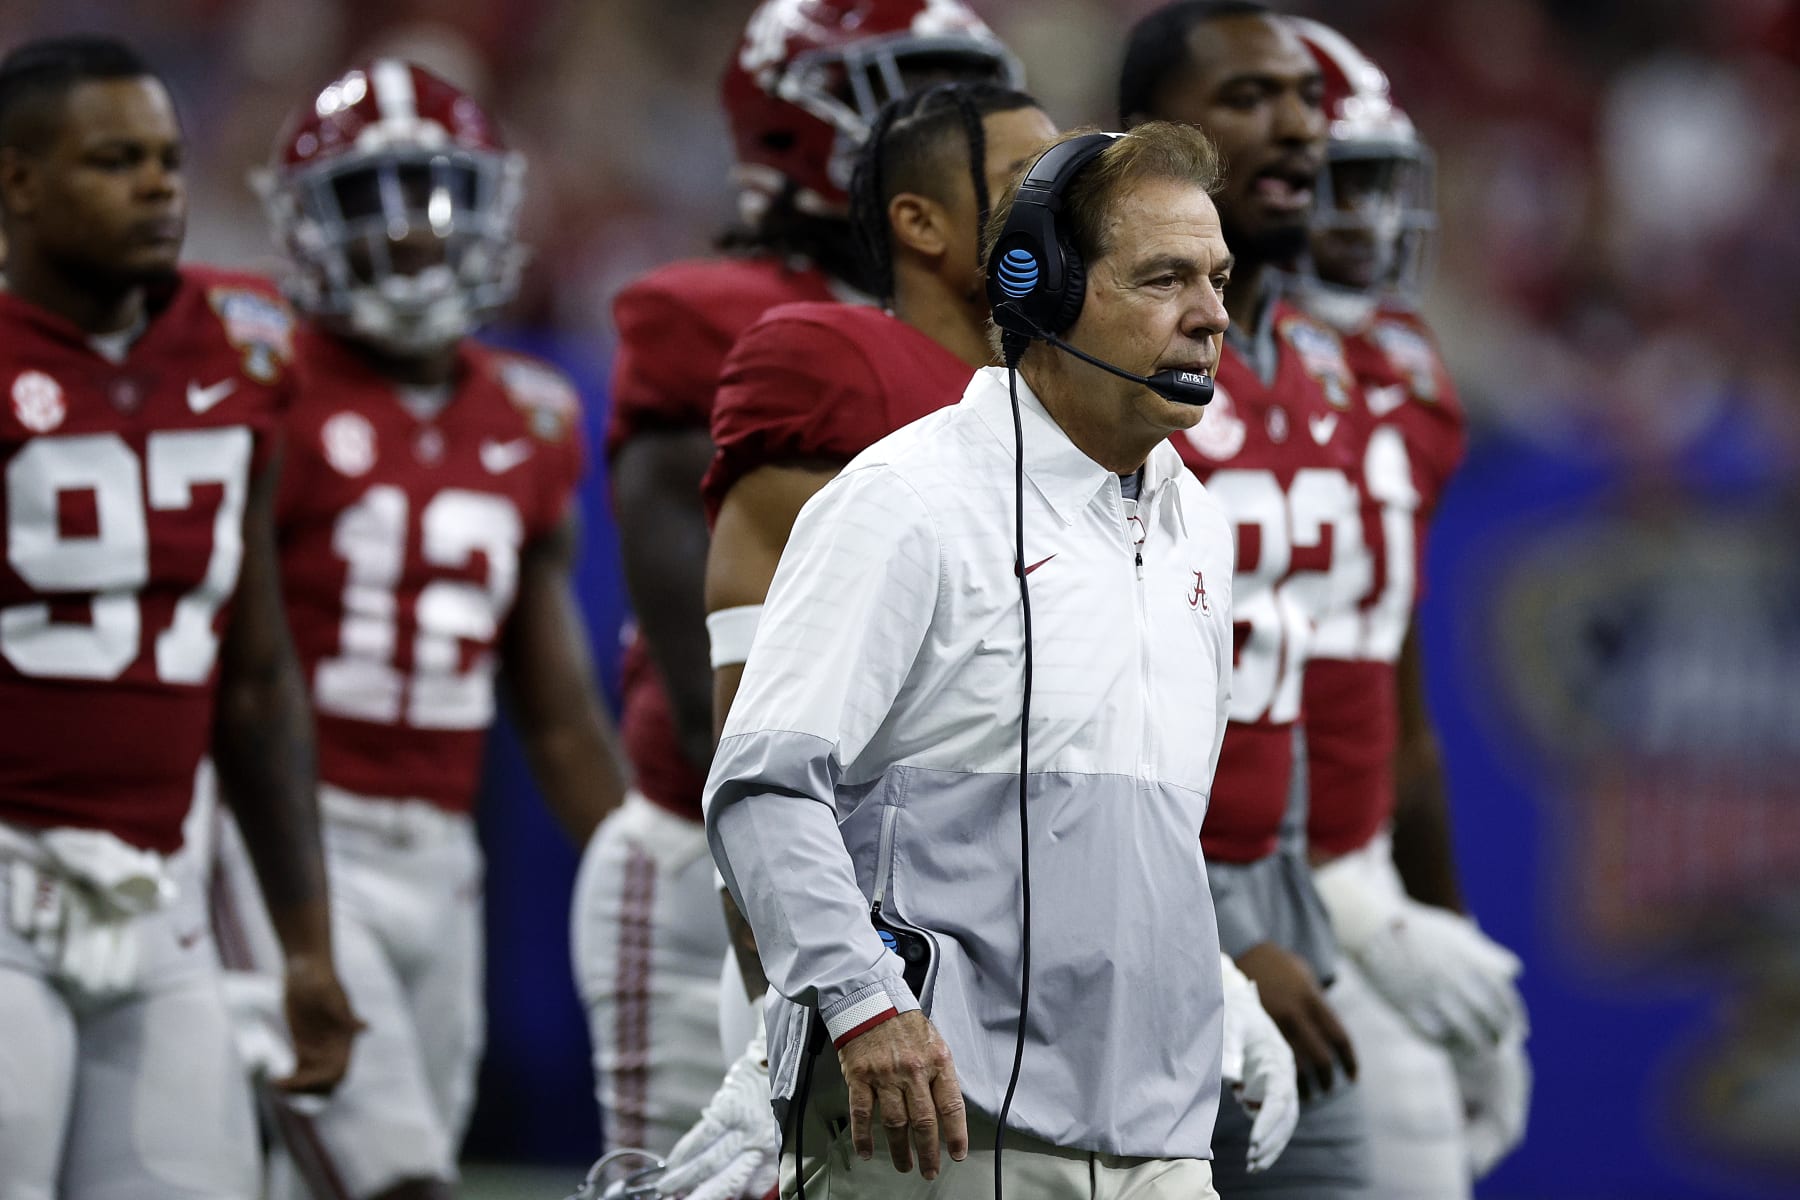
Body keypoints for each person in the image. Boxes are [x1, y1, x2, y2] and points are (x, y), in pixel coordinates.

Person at [708, 120, 1241, 1199]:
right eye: (1165, 279)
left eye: (1220, 280)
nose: (1212, 316)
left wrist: (1221, 998)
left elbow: (1144, 843)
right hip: (936, 1122)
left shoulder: (1202, 528)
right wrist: (860, 1006)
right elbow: (761, 790)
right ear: (1036, 289)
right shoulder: (905, 501)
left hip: (1153, 1134)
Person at [581, 0, 1024, 1157]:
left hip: (896, 884)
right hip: (717, 840)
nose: (942, 124)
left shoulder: (1011, 361)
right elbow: (723, 696)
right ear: (790, 121)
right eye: (908, 90)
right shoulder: (742, 327)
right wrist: (796, 946)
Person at [208, 60, 628, 1200]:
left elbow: (553, 709)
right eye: (369, 201)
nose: (409, 235)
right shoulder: (267, 382)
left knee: (379, 1165)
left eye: (436, 197)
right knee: (390, 1177)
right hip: (289, 836)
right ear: (306, 222)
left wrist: (648, 869)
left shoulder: (533, 413)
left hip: (443, 855)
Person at [0, 34, 357, 1198]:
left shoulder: (242, 343)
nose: (160, 185)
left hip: (167, 900)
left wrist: (305, 943)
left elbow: (253, 674)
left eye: (167, 158)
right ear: (17, 183)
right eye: (115, 161)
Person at [1120, 2, 1376, 1194]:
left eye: (1304, 100)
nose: (1293, 128)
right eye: (1246, 98)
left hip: (1283, 877)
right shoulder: (1112, 348)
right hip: (1142, 888)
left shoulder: (1320, 357)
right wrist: (1220, 930)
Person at [1286, 19, 1530, 1196]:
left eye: (1384, 185)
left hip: (1344, 869)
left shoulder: (1403, 371)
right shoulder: (1166, 372)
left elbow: (1395, 711)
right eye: (1341, 185)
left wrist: (1448, 939)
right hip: (1166, 888)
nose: (1371, 221)